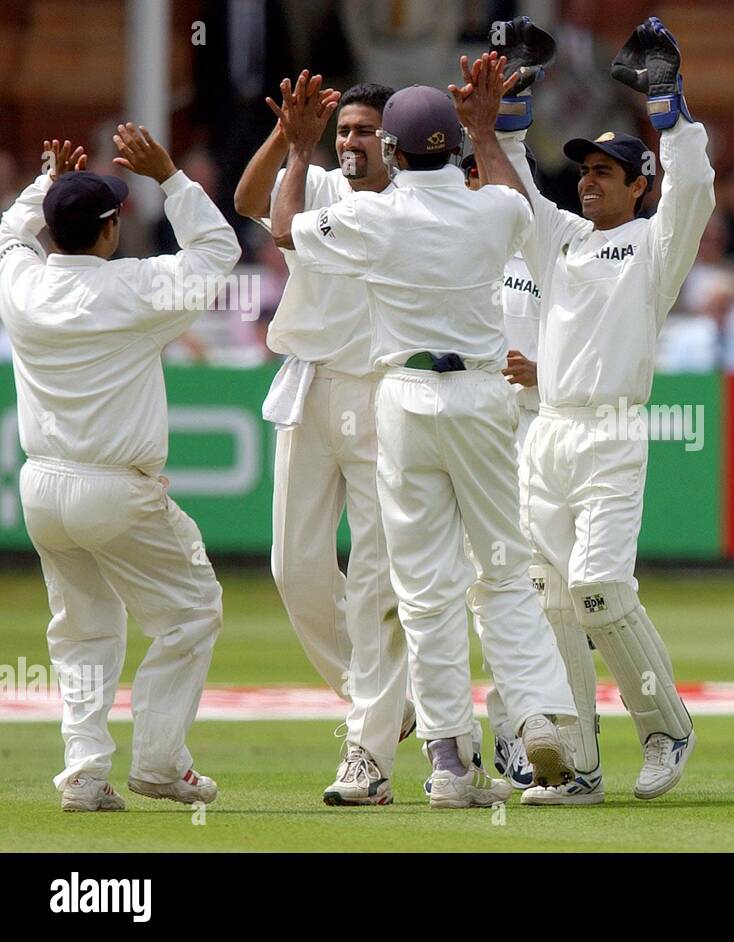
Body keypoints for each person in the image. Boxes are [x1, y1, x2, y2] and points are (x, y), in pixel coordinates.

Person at [270, 66, 578, 809]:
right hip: (480, 393)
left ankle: (448, 763)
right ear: (454, 156)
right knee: (502, 567)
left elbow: (282, 228)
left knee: (424, 591)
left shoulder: (375, 215)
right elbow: (524, 209)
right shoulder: (490, 209)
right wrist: (485, 129)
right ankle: (537, 713)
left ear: (395, 153)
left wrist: (299, 147)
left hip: (402, 397)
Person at [480, 15, 715, 804]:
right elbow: (512, 178)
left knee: (599, 593)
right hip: (547, 433)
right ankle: (577, 762)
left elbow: (697, 189)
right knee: (550, 600)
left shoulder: (655, 246)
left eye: (607, 172)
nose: (588, 179)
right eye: (583, 170)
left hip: (611, 433)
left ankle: (665, 729)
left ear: (639, 183)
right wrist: (512, 93)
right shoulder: (562, 239)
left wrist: (670, 109)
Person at [0, 130, 241, 811]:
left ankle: (83, 772)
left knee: (82, 629)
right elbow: (217, 251)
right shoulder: (136, 289)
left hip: (41, 486)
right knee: (191, 611)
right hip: (114, 487)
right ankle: (161, 763)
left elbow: (8, 235)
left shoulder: (20, 285)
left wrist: (42, 183)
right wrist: (172, 178)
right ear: (109, 233)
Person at [235, 74, 413, 806]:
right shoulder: (318, 183)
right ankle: (389, 704)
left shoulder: (416, 203)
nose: (351, 143)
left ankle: (367, 756)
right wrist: (290, 140)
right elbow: (251, 205)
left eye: (364, 131)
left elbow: (275, 229)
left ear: (393, 141)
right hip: (311, 384)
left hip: (382, 392)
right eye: (344, 132)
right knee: (294, 566)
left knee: (374, 580)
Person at [460, 145, 545, 789]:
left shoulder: (543, 253)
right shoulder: (440, 247)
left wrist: (540, 377)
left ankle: (530, 726)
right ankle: (477, 736)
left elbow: (580, 342)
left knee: (530, 588)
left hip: (529, 433)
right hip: (456, 428)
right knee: (467, 587)